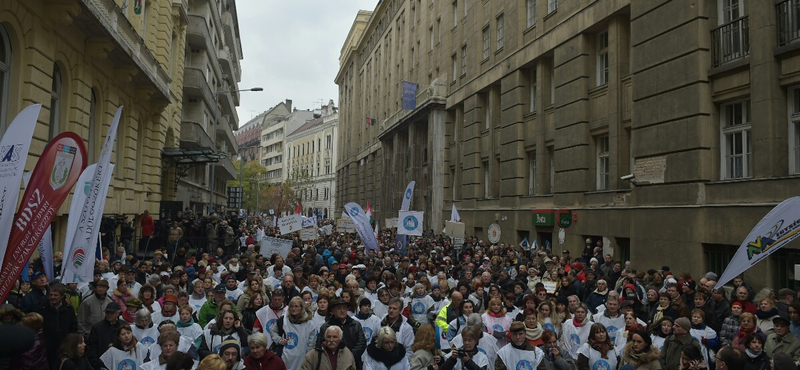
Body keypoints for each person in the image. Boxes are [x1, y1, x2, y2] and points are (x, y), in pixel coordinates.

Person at [37, 282, 78, 370]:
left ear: (62, 296)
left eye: (55, 295)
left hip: (64, 346)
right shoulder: (42, 309)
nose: (52, 297)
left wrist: (69, 341)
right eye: (51, 295)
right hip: (48, 347)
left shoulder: (68, 309)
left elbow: (73, 326)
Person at [270, 297, 316, 369]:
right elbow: (273, 331)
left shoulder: (309, 323)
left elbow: (311, 343)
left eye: (296, 306)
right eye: (291, 306)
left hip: (302, 359)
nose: (293, 309)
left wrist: (308, 359)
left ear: (301, 307)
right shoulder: (283, 320)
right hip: (285, 358)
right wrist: (279, 340)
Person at [86, 301, 124, 369]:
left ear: (118, 313)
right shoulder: (97, 327)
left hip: (120, 362)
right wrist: (96, 363)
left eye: (111, 313)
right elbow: (92, 347)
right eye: (107, 313)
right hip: (102, 363)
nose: (109, 315)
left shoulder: (124, 326)